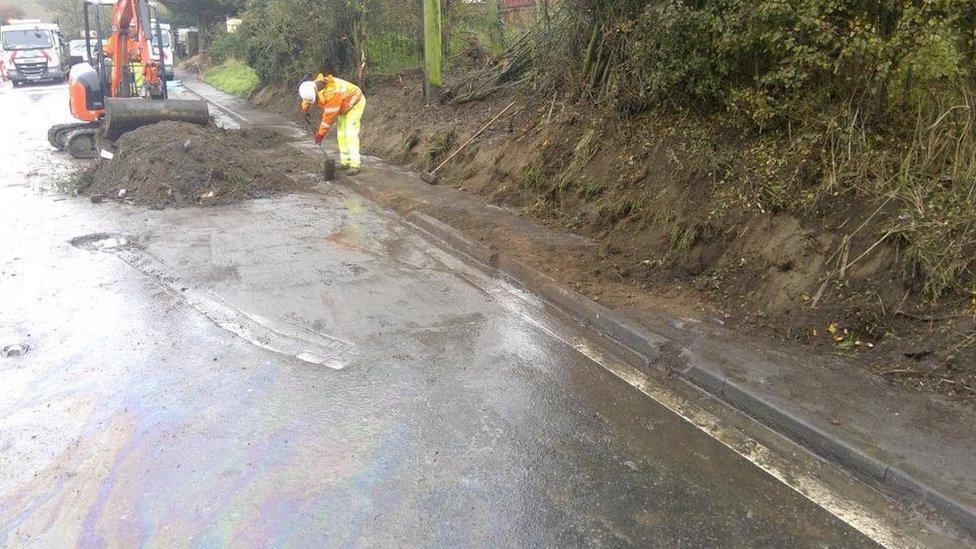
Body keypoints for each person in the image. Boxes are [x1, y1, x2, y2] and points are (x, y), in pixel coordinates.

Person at [299, 72, 366, 175]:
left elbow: (327, 120)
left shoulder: (332, 94)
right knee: (341, 134)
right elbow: (307, 98)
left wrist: (320, 134)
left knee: (350, 134)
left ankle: (355, 164)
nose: (315, 100)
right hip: (343, 105)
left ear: (315, 91)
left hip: (355, 104)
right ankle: (345, 162)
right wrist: (305, 109)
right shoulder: (314, 85)